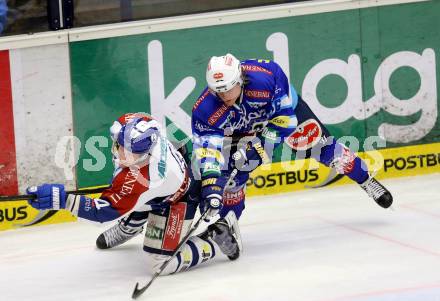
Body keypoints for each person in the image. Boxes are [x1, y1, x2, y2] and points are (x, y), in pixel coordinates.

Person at [26, 112, 242, 276]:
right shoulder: (145, 130)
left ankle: (214, 238)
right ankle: (132, 224)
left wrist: (62, 200)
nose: (119, 151)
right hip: (166, 186)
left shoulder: (141, 179)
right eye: (119, 145)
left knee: (161, 264)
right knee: (133, 198)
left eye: (125, 148)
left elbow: (103, 213)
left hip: (179, 200)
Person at [192, 53, 393, 223]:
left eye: (227, 88)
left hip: (280, 116)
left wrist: (260, 148)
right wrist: (211, 183)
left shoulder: (267, 77)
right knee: (233, 175)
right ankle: (226, 225)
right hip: (239, 129)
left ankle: (366, 180)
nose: (223, 96)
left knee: (325, 150)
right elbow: (209, 151)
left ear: (239, 79)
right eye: (217, 91)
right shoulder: (205, 109)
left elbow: (285, 121)